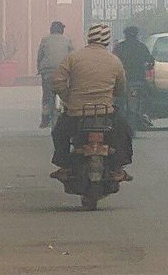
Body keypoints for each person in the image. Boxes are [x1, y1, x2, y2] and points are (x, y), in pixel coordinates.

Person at [50, 22, 132, 181]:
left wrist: (68, 97)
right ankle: (118, 169)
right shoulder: (114, 61)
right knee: (125, 132)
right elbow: (121, 88)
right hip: (105, 113)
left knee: (59, 132)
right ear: (107, 41)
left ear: (89, 38)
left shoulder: (73, 57)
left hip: (76, 113)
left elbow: (57, 81)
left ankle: (65, 166)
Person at [115, 24, 156, 128]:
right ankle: (146, 114)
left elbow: (113, 62)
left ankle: (117, 118)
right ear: (137, 35)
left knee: (117, 100)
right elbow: (150, 60)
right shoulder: (141, 46)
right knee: (150, 95)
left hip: (123, 79)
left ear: (125, 35)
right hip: (139, 80)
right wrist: (149, 67)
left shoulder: (120, 47)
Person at [36, 20, 72, 129]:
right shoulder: (67, 40)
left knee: (47, 96)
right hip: (63, 72)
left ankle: (45, 117)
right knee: (66, 95)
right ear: (62, 30)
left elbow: (40, 56)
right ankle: (67, 114)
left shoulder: (45, 40)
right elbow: (72, 57)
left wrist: (39, 68)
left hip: (47, 72)